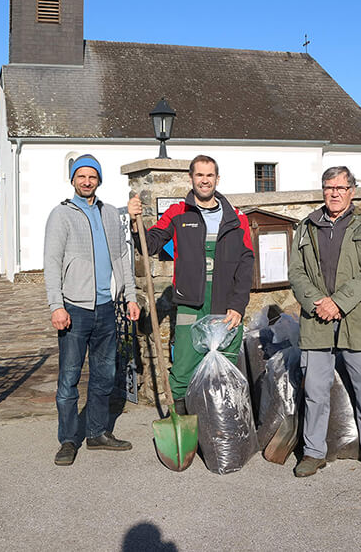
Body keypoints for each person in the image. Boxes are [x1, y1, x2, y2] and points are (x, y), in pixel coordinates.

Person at [287, 166, 361, 479]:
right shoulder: (307, 226)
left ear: (352, 191)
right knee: (315, 390)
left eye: (340, 187)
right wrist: (317, 302)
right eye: (328, 187)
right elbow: (296, 272)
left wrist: (339, 302)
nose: (334, 193)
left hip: (357, 320)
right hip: (317, 320)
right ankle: (313, 452)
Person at [127, 155, 254, 413]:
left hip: (225, 304)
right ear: (191, 178)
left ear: (217, 179)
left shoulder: (236, 218)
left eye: (209, 175)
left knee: (225, 368)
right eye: (199, 175)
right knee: (183, 369)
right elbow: (148, 245)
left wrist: (238, 305)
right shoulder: (178, 214)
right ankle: (181, 424)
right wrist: (133, 221)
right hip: (189, 304)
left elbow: (246, 263)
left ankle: (223, 428)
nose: (204, 181)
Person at [44, 154, 141, 467]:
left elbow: (122, 256)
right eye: (81, 176)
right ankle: (68, 439)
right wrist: (56, 305)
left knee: (103, 375)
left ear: (99, 180)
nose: (87, 182)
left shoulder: (110, 213)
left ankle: (98, 432)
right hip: (74, 308)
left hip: (105, 308)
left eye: (93, 177)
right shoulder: (61, 215)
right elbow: (52, 263)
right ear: (73, 179)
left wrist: (130, 296)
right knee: (69, 379)